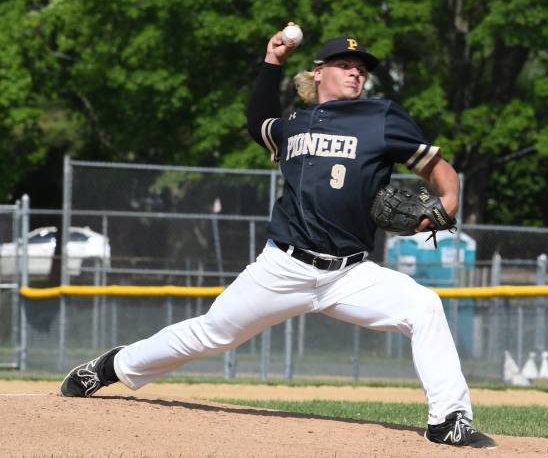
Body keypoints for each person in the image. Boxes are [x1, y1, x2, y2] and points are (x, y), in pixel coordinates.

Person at [60, 24, 497, 449]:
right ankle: (110, 367)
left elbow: (435, 166)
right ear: (317, 72)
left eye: (361, 67)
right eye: (345, 64)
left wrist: (449, 202)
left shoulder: (380, 117)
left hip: (350, 273)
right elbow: (257, 121)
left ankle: (448, 421)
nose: (356, 72)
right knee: (212, 334)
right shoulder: (295, 123)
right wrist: (271, 61)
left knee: (424, 306)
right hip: (282, 266)